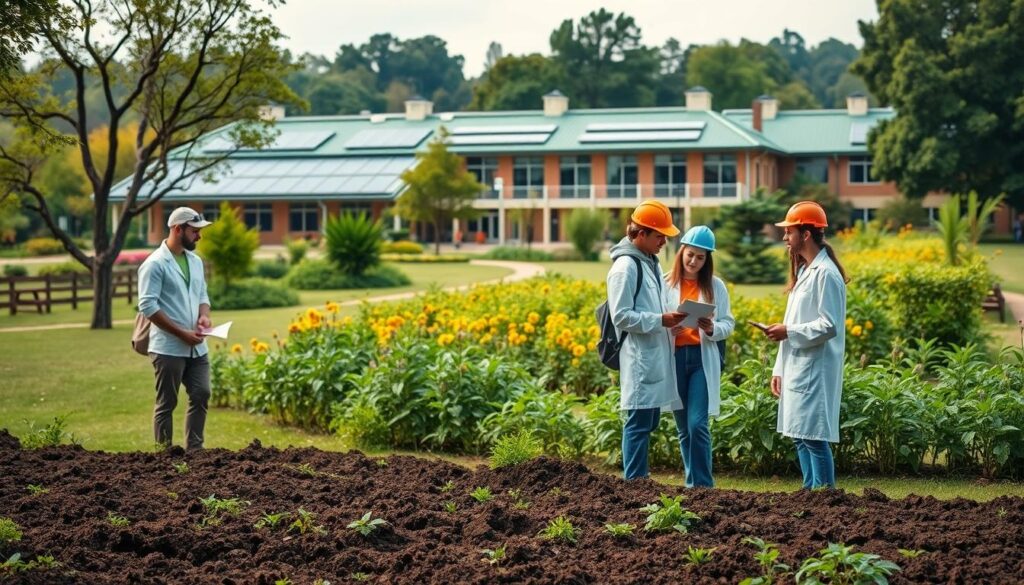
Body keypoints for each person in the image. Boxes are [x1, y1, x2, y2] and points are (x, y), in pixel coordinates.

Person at [762, 201, 848, 489]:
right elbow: (793, 320)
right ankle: (810, 491)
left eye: (789, 232)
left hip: (815, 367)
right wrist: (779, 369)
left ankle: (826, 495)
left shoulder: (826, 274)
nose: (785, 237)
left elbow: (829, 325)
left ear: (806, 234)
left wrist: (788, 331)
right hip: (797, 365)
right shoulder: (805, 271)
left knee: (813, 437)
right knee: (799, 434)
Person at [606, 200, 685, 480]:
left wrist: (672, 320)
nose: (664, 241)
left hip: (654, 353)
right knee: (638, 423)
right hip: (639, 357)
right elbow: (622, 317)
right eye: (659, 235)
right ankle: (635, 482)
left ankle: (639, 479)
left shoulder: (649, 262)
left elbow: (654, 304)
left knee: (648, 420)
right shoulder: (625, 268)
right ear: (641, 234)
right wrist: (660, 320)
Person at [137, 207, 214, 450]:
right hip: (168, 348)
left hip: (197, 348)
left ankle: (195, 451)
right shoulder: (155, 264)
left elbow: (202, 294)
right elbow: (147, 306)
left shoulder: (196, 261)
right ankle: (164, 457)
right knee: (167, 404)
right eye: (194, 231)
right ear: (177, 229)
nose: (199, 237)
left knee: (202, 393)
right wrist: (182, 334)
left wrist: (204, 316)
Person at [664, 226, 734, 487]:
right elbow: (658, 322)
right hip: (675, 359)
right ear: (681, 252)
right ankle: (691, 484)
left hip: (701, 361)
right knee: (683, 428)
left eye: (700, 257)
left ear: (708, 260)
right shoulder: (665, 283)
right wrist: (671, 327)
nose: (693, 261)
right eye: (690, 255)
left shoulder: (716, 287)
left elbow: (728, 323)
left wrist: (712, 328)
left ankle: (704, 487)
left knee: (697, 425)